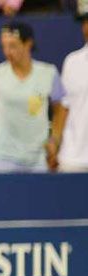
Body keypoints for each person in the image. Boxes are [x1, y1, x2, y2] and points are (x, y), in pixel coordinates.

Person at [0, 22, 67, 173]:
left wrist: (55, 140)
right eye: (4, 46)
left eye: (13, 46)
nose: (7, 52)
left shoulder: (49, 73)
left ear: (28, 44)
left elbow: (60, 111)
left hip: (37, 160)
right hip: (0, 157)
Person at [55, 13, 88, 172]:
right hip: (72, 158)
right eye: (85, 22)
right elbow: (64, 106)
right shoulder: (71, 61)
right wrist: (55, 144)